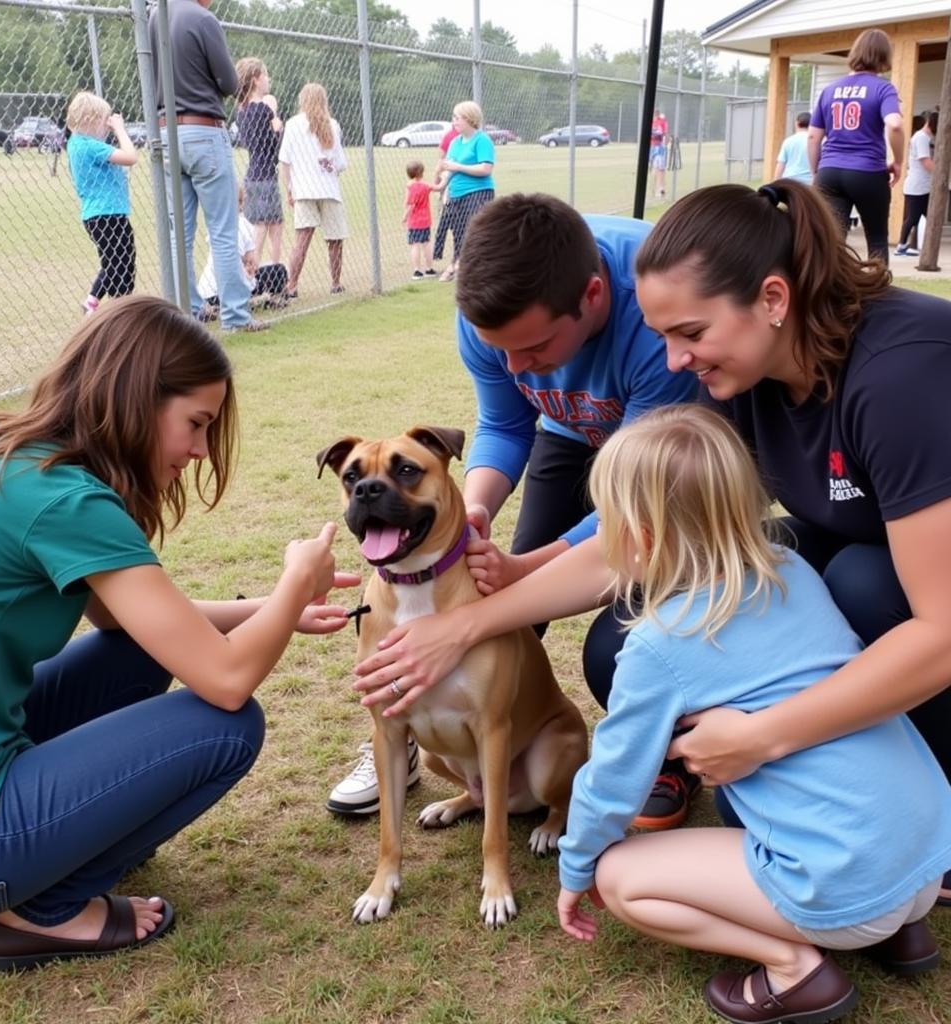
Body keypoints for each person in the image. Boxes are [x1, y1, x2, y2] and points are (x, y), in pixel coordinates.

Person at [353, 176, 951, 903]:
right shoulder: (740, 375)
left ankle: (921, 814)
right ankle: (796, 771)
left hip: (911, 582)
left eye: (689, 334)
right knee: (622, 639)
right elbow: (637, 543)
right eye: (665, 337)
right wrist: (469, 621)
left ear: (771, 299)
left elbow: (941, 632)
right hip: (847, 532)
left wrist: (767, 737)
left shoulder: (902, 376)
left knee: (862, 583)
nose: (671, 361)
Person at [0, 295, 356, 972]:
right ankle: (37, 912)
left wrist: (273, 609)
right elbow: (225, 679)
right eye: (196, 423)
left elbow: (138, 623)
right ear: (134, 398)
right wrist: (296, 584)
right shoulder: (66, 500)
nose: (199, 449)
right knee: (228, 727)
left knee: (130, 660)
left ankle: (51, 851)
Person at [556, 404, 950, 1024]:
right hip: (927, 856)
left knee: (620, 878)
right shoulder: (792, 568)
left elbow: (612, 782)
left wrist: (576, 868)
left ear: (643, 537)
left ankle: (795, 969)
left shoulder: (658, 645)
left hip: (847, 881)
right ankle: (898, 932)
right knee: (742, 801)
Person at [327, 193, 697, 824]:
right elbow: (505, 419)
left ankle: (660, 753)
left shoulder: (660, 312)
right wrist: (475, 511)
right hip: (568, 431)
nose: (520, 368)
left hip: (657, 451)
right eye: (501, 351)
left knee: (621, 606)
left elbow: (631, 507)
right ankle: (409, 727)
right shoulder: (487, 316)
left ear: (592, 295)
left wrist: (529, 569)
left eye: (534, 348)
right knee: (491, 591)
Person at [149, 0, 270, 333]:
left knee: (179, 236)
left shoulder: (155, 15)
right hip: (204, 129)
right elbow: (230, 84)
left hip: (166, 131)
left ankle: (186, 317)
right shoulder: (204, 19)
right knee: (223, 231)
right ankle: (235, 316)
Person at [808, 28, 904, 264]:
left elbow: (812, 137)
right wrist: (899, 161)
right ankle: (879, 294)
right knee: (878, 238)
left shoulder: (829, 90)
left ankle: (831, 294)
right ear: (884, 56)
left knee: (833, 241)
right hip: (867, 171)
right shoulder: (883, 88)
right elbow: (895, 125)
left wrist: (817, 172)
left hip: (829, 171)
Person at [65, 91, 138, 316]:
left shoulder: (76, 143)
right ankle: (122, 309)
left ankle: (93, 301)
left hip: (98, 214)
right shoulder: (89, 145)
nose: (106, 128)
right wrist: (120, 129)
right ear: (90, 121)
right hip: (109, 214)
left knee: (114, 261)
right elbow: (130, 157)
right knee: (121, 265)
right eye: (103, 122)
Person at [277, 82, 348, 299]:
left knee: (302, 239)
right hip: (328, 188)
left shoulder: (293, 124)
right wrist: (329, 166)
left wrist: (290, 189)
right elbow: (340, 163)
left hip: (304, 190)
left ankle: (291, 285)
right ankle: (335, 283)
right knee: (335, 239)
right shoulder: (332, 124)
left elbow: (284, 161)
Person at [196, 186, 289, 321]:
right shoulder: (242, 223)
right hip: (233, 288)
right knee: (279, 270)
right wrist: (248, 274)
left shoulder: (216, 223)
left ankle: (216, 307)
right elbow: (252, 262)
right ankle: (256, 300)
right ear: (241, 202)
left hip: (207, 293)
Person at [234, 56, 285, 266]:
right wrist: (276, 122)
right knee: (265, 227)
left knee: (271, 224)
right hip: (265, 176)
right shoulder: (264, 109)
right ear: (255, 79)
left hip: (255, 174)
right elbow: (274, 147)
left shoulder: (242, 111)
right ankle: (263, 272)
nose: (268, 79)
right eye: (265, 75)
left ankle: (266, 274)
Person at [436, 101, 495, 282]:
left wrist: (458, 166)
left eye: (457, 117)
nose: (454, 121)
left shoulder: (482, 140)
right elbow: (450, 169)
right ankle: (456, 263)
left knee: (474, 231)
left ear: (469, 118)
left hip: (478, 192)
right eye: (453, 117)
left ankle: (472, 268)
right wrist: (443, 187)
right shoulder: (455, 142)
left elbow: (486, 169)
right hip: (457, 193)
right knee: (459, 232)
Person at [894, 110, 937, 257]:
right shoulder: (921, 138)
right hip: (917, 186)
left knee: (928, 215)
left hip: (923, 185)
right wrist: (940, 175)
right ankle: (901, 245)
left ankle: (911, 246)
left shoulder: (923, 137)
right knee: (912, 217)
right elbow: (925, 161)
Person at [404, 160, 440, 279]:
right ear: (421, 173)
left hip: (415, 222)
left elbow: (411, 204)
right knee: (426, 244)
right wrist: (444, 177)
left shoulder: (411, 187)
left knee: (415, 245)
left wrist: (405, 217)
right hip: (425, 221)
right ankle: (429, 269)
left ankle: (417, 271)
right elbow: (438, 187)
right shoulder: (425, 186)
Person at [431, 123, 459, 268]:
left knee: (455, 226)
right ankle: (438, 252)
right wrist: (437, 176)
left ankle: (456, 256)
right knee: (445, 222)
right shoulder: (451, 136)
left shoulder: (472, 136)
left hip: (457, 190)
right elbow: (441, 158)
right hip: (448, 192)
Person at [773, 111, 812, 184]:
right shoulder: (815, 142)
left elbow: (781, 164)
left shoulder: (788, 141)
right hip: (809, 182)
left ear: (796, 123)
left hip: (790, 181)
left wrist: (775, 183)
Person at [649, 108, 669, 199]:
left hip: (660, 147)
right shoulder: (651, 122)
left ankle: (661, 188)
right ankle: (654, 189)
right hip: (652, 146)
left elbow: (664, 134)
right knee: (654, 168)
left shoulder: (662, 122)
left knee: (660, 168)